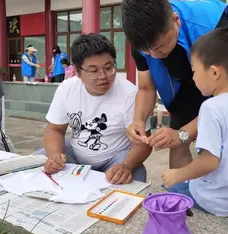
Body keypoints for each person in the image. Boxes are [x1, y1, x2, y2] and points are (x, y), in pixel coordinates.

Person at [121, 0, 228, 169]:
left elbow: (226, 97)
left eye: (160, 47)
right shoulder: (142, 42)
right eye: (148, 52)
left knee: (225, 144)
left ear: (175, 20)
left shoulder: (212, 26)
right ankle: (181, 193)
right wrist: (138, 120)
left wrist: (184, 133)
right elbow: (146, 88)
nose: (155, 57)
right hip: (184, 85)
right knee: (177, 139)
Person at [161, 28, 228, 216]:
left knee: (169, 186)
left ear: (214, 72)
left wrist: (177, 174)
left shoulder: (211, 107)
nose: (192, 77)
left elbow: (209, 162)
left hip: (213, 200)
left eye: (194, 71)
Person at [34, 34, 152, 184]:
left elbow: (144, 142)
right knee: (40, 160)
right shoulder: (67, 89)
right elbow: (55, 129)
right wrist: (55, 156)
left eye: (108, 68)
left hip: (115, 159)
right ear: (77, 71)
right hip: (76, 155)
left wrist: (126, 166)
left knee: (132, 175)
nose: (103, 76)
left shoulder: (129, 93)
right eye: (93, 70)